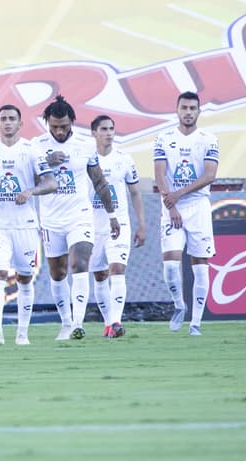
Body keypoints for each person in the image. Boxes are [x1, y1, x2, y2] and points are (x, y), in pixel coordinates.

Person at [35, 96, 119, 341]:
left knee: (80, 263)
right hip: (50, 218)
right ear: (47, 124)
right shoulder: (36, 146)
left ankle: (77, 324)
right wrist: (45, 163)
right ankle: (65, 322)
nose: (59, 131)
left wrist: (112, 215)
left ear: (72, 121)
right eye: (54, 127)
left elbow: (99, 181)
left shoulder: (85, 146)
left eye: (64, 126)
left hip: (80, 216)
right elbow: (27, 181)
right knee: (58, 273)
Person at [0, 104, 53, 346]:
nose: (8, 122)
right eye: (3, 118)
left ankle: (22, 333)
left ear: (20, 124)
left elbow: (51, 183)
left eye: (12, 118)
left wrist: (31, 191)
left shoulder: (31, 150)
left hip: (25, 224)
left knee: (24, 278)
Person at [153, 91, 218, 335]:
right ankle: (179, 305)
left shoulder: (209, 139)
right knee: (170, 264)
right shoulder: (164, 138)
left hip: (198, 205)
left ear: (199, 111)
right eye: (184, 108)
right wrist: (172, 206)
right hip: (170, 206)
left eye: (192, 108)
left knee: (200, 265)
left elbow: (210, 175)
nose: (188, 112)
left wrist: (178, 196)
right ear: (177, 110)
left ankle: (196, 323)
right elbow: (160, 174)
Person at [90, 115, 145, 339]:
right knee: (100, 275)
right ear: (94, 132)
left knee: (117, 269)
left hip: (119, 225)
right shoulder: (87, 159)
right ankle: (107, 323)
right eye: (103, 129)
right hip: (93, 226)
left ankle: (116, 321)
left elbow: (135, 192)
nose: (109, 133)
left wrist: (141, 224)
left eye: (111, 128)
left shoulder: (124, 159)